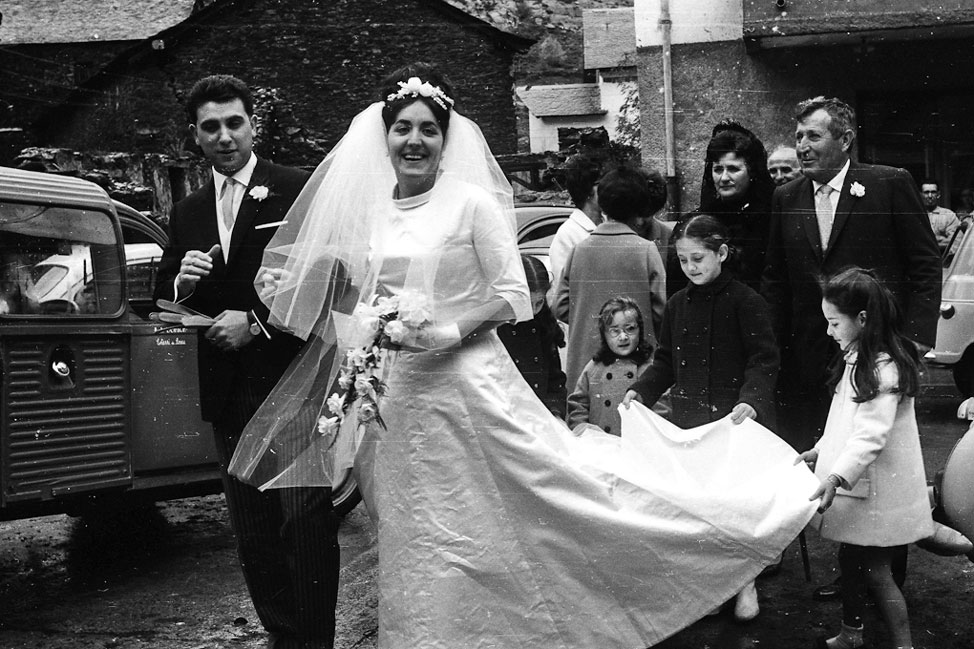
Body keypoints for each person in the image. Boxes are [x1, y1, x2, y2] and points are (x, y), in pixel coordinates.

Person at [227, 62, 816, 649]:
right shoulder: (372, 211)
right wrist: (368, 332)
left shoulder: (471, 205)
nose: (415, 140)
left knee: (528, 508)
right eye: (402, 128)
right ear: (384, 137)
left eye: (429, 129)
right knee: (414, 529)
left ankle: (697, 547)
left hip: (467, 385)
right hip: (399, 397)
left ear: (445, 138)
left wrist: (445, 331)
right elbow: (354, 292)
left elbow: (512, 296)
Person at [153, 74, 339, 649]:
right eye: (211, 126)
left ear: (253, 125)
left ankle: (313, 642)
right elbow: (164, 296)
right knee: (253, 531)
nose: (225, 136)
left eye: (234, 123)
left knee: (304, 522)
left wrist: (255, 322)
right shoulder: (186, 211)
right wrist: (182, 284)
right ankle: (283, 636)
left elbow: (325, 279)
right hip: (229, 392)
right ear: (195, 135)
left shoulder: (296, 189)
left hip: (295, 383)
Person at [761, 96, 940, 603]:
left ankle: (882, 575)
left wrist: (917, 338)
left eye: (813, 136)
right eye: (798, 137)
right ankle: (853, 577)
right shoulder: (787, 196)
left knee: (878, 463)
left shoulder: (886, 183)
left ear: (845, 139)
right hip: (813, 352)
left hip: (880, 350)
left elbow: (925, 264)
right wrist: (777, 347)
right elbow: (776, 276)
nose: (802, 147)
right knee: (834, 458)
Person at [623, 214, 779, 622]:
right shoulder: (677, 305)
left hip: (737, 421)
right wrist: (642, 391)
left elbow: (764, 360)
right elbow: (665, 362)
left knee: (735, 504)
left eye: (699, 259)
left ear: (722, 253)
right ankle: (713, 585)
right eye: (684, 260)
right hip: (692, 423)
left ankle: (745, 581)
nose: (691, 268)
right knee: (702, 504)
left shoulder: (747, 301)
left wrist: (752, 401)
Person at [798, 267, 932, 649]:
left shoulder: (881, 368)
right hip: (861, 490)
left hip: (874, 495)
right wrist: (821, 450)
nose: (829, 331)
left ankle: (903, 644)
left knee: (876, 571)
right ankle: (852, 632)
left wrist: (837, 477)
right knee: (852, 563)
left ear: (862, 319)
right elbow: (843, 422)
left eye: (834, 322)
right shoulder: (858, 359)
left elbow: (870, 435)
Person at [553, 164, 666, 391]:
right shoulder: (646, 250)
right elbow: (660, 310)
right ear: (639, 208)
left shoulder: (579, 250)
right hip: (636, 363)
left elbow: (560, 306)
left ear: (602, 205)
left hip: (587, 363)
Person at [677, 121, 775, 294]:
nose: (723, 177)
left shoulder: (770, 217)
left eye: (733, 169)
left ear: (751, 172)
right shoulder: (693, 223)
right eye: (717, 169)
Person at [567, 296, 652, 436]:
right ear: (604, 334)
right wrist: (584, 430)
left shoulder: (648, 368)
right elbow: (578, 405)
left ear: (640, 330)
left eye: (630, 329)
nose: (623, 337)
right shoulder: (594, 368)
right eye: (615, 331)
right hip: (600, 446)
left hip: (638, 445)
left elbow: (661, 407)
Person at [497, 254, 568, 418]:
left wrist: (555, 413)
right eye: (528, 303)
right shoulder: (497, 327)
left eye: (539, 302)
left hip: (541, 416)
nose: (534, 310)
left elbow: (555, 381)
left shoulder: (543, 323)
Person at [547, 153, 603, 303]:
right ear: (587, 191)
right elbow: (562, 294)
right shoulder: (567, 235)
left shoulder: (609, 224)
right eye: (599, 184)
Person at [919, 179, 961, 253]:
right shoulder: (915, 215)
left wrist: (928, 244)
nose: (930, 196)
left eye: (933, 192)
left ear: (938, 194)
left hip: (943, 260)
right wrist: (941, 239)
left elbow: (956, 241)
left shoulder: (949, 215)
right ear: (920, 194)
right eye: (926, 192)